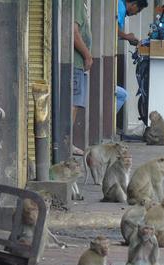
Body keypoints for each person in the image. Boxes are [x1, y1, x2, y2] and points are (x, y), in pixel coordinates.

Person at [116, 0, 148, 116]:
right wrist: (126, 36)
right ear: (133, 4)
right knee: (122, 95)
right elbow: (111, 28)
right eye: (138, 10)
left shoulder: (121, 9)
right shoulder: (120, 7)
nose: (136, 14)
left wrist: (127, 38)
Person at [72, 0, 92, 156]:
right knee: (73, 103)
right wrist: (87, 55)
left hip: (78, 64)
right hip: (76, 63)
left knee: (75, 103)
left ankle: (68, 142)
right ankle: (68, 143)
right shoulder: (77, 2)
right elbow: (74, 32)